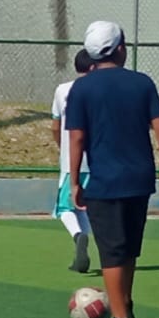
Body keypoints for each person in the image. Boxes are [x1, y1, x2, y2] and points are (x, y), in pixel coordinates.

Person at [66, 20, 159, 318]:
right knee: (129, 247)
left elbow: (76, 138)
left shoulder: (82, 88)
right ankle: (124, 306)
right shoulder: (142, 83)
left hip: (105, 180)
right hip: (139, 178)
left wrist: (74, 181)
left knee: (111, 251)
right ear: (120, 49)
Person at [51, 51, 94, 272]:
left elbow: (55, 126)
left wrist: (64, 149)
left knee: (64, 209)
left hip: (71, 162)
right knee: (83, 207)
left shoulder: (62, 90)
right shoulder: (100, 90)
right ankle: (82, 248)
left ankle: (78, 235)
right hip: (97, 161)